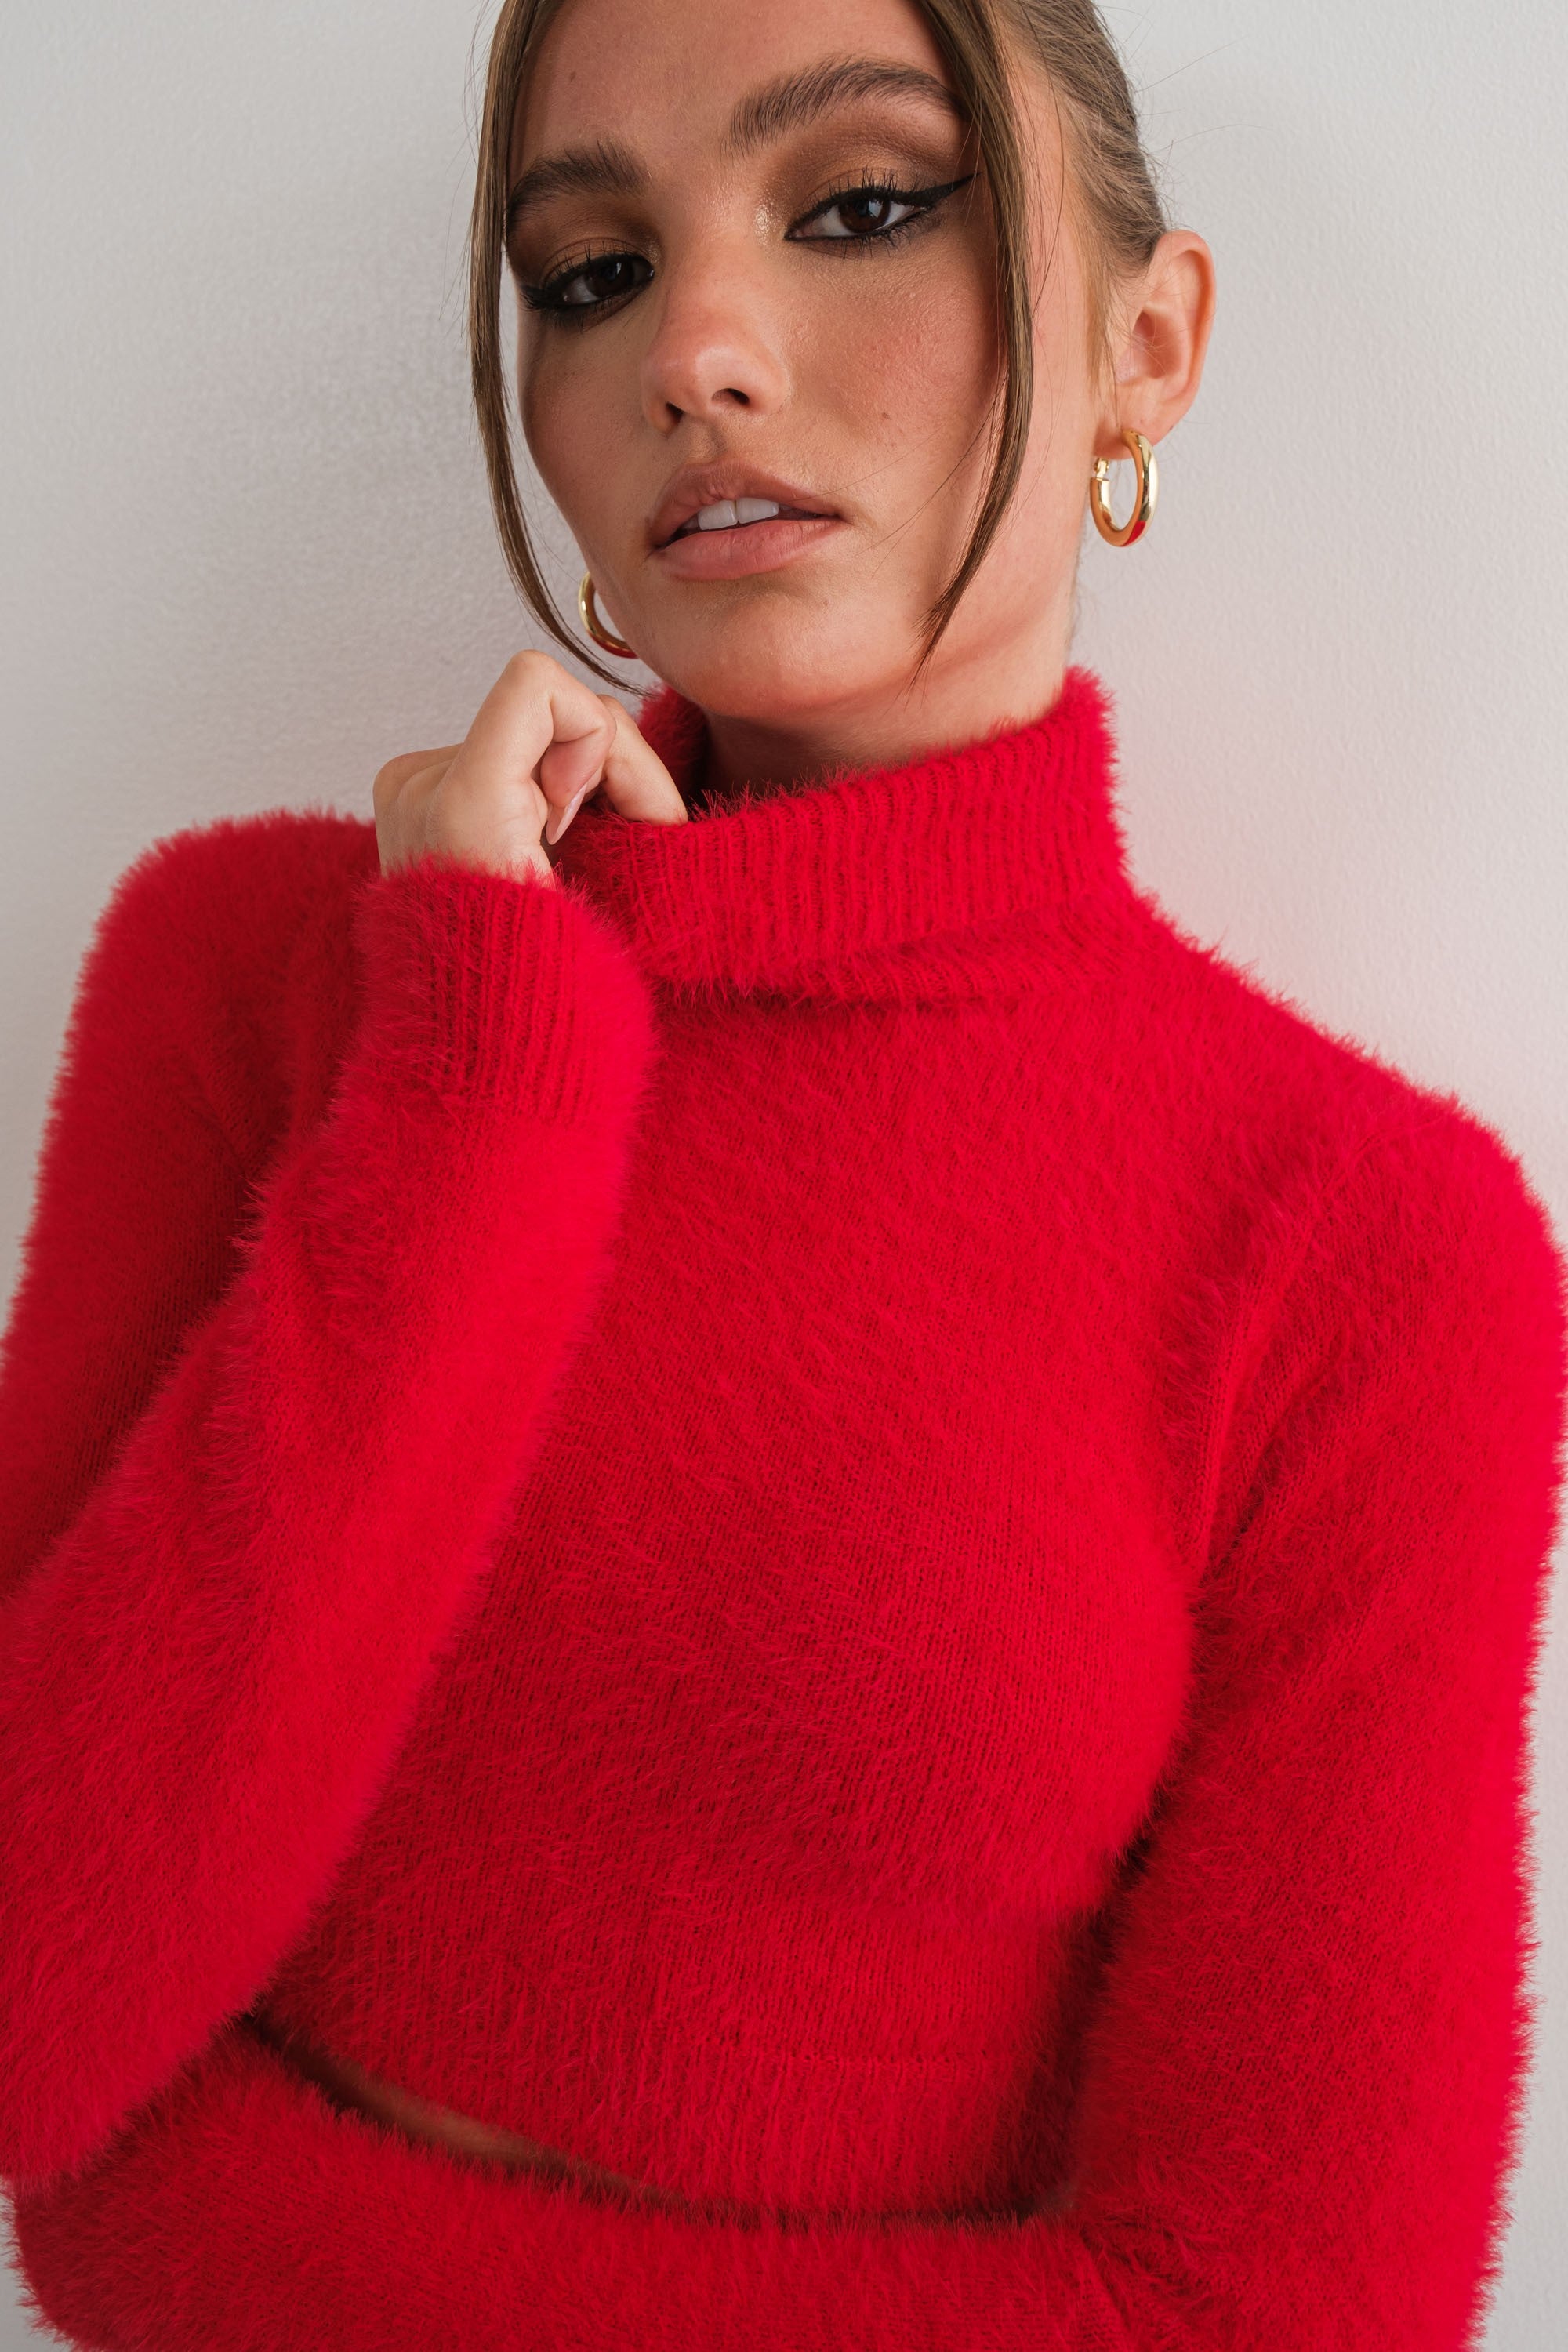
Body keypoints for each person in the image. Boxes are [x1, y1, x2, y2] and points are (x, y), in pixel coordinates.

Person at [2, 0, 1563, 2345]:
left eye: (862, 206)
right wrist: (471, 1102)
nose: (695, 356)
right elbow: (33, 2038)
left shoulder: (1368, 1258)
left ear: (1146, 352)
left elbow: (1273, 2311)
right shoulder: (270, 982)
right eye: (592, 272)